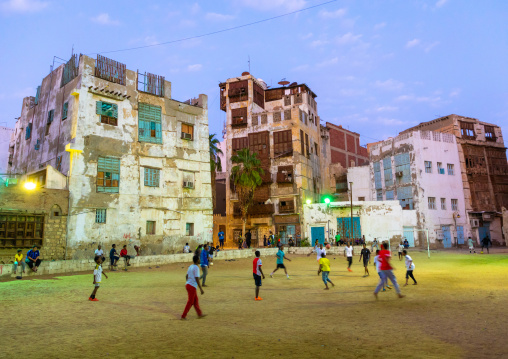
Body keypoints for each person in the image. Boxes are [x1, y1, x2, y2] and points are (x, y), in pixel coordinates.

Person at [181, 254, 206, 320]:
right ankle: (183, 316)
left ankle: (199, 314)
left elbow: (186, 276)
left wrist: (188, 282)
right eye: (199, 259)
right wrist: (201, 289)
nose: (200, 260)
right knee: (190, 302)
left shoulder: (191, 266)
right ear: (197, 260)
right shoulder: (196, 268)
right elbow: (197, 279)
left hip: (188, 285)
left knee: (195, 301)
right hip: (192, 286)